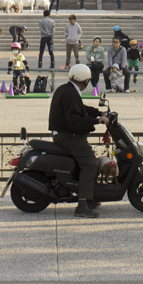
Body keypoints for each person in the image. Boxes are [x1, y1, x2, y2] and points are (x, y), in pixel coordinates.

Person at [49, 63, 109, 218]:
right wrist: (98, 121)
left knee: (85, 163)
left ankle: (88, 198)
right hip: (68, 136)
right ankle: (82, 205)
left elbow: (81, 108)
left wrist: (99, 113)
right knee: (90, 164)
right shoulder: (70, 94)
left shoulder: (66, 89)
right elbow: (74, 121)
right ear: (85, 81)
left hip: (62, 133)